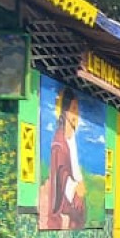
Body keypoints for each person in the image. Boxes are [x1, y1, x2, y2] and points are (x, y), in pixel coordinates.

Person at [41, 87, 87, 230]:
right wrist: (75, 189)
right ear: (64, 111)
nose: (76, 114)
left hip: (72, 192)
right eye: (73, 109)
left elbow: (75, 167)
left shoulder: (71, 138)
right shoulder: (59, 143)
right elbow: (61, 172)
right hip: (62, 196)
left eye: (77, 110)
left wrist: (80, 183)